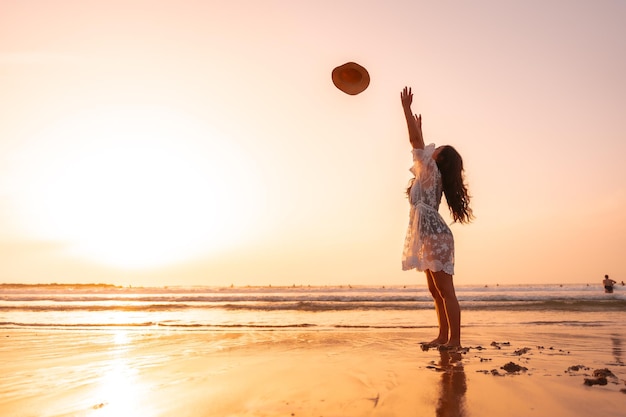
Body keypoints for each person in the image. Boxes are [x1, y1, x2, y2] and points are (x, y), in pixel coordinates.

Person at [400, 86, 473, 350]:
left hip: (436, 236)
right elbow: (419, 144)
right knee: (435, 291)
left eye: (436, 148)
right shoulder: (428, 174)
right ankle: (443, 336)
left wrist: (406, 109)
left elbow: (415, 143)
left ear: (438, 159)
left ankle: (454, 340)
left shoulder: (431, 171)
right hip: (429, 234)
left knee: (446, 291)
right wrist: (420, 129)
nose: (431, 149)